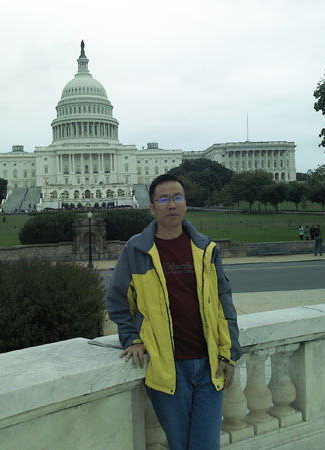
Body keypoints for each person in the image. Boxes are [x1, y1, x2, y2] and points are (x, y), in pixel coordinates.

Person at [106, 174, 241, 450]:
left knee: (206, 445)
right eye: (164, 199)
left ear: (185, 204)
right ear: (151, 207)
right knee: (180, 445)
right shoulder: (136, 250)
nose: (172, 204)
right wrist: (132, 338)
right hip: (168, 368)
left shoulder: (206, 248)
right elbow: (118, 301)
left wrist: (230, 353)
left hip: (210, 365)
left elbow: (223, 303)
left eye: (178, 198)